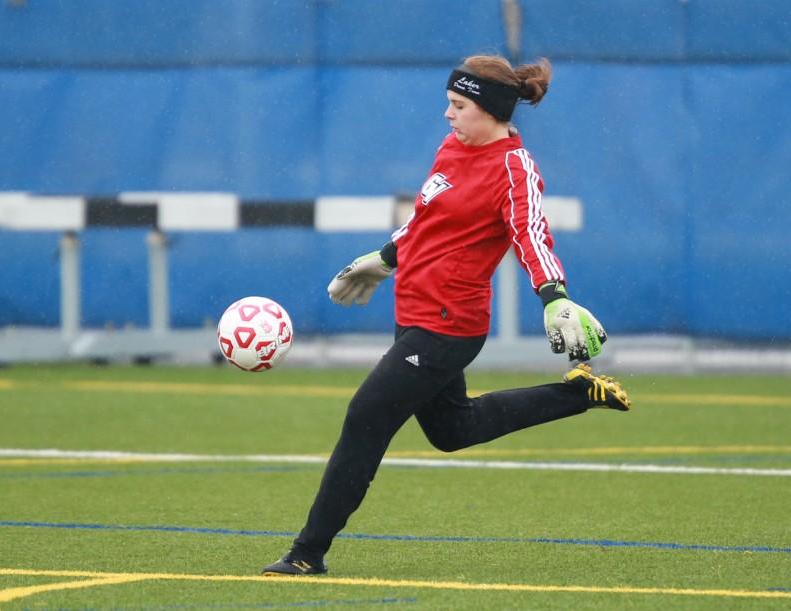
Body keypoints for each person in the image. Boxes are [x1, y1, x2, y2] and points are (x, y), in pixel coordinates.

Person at [261, 55, 632, 576]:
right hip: (413, 312)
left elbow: (530, 234)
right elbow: (428, 221)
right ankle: (574, 393)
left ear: (490, 110)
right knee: (451, 430)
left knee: (366, 417)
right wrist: (384, 258)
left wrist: (555, 296)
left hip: (449, 323)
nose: (447, 115)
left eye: (458, 105)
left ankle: (307, 552)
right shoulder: (454, 147)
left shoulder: (513, 166)